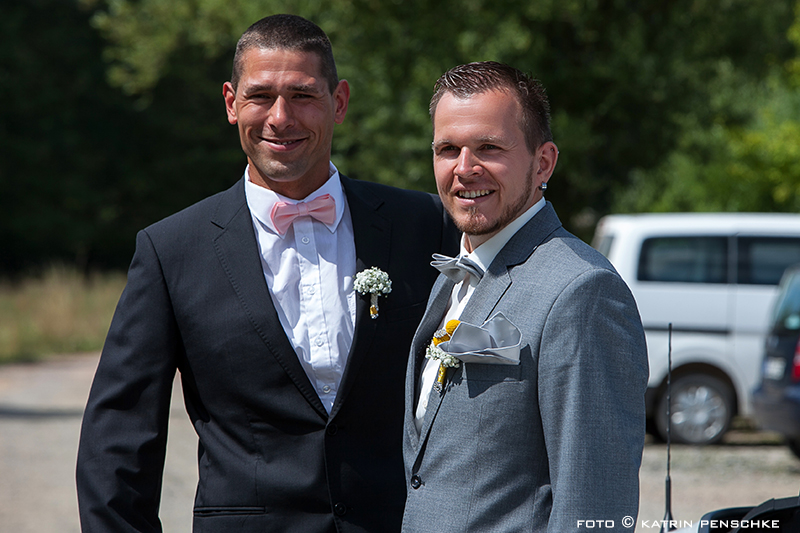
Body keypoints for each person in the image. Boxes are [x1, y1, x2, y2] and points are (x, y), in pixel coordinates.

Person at [76, 14, 458, 533]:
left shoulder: (426, 226)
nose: (281, 117)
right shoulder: (171, 250)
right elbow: (117, 439)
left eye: (302, 95)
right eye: (261, 96)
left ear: (339, 102)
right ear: (232, 103)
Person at [402, 61, 649, 532]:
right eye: (448, 149)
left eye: (489, 148)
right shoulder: (451, 278)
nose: (465, 168)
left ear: (543, 163)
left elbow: (593, 504)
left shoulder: (582, 291)